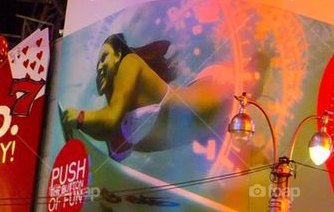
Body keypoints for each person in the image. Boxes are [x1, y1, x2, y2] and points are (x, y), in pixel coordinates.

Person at [59, 34, 231, 162]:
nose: (99, 66)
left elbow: (109, 123)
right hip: (213, 128)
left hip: (222, 87)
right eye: (97, 64)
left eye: (104, 57)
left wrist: (81, 118)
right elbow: (107, 130)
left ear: (119, 55)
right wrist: (80, 125)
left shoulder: (130, 62)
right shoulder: (115, 102)